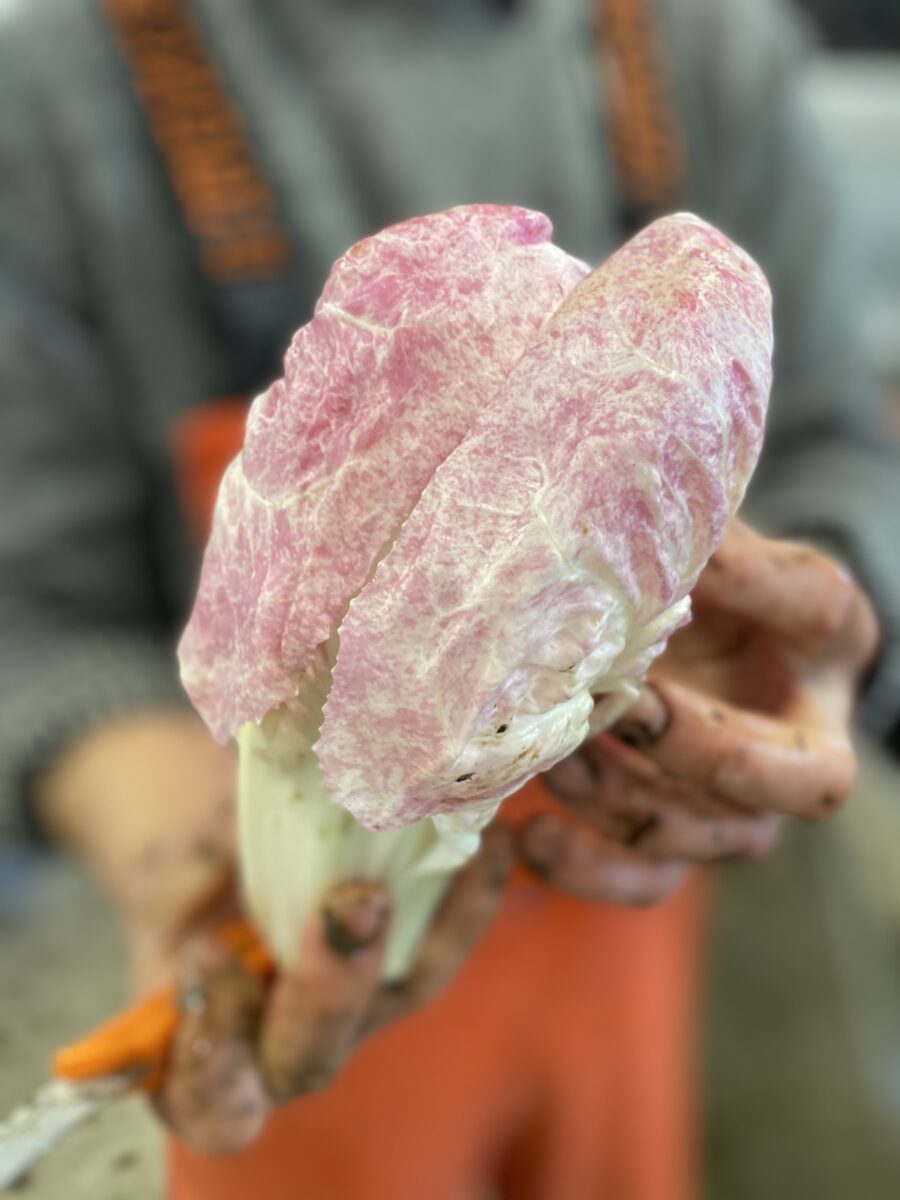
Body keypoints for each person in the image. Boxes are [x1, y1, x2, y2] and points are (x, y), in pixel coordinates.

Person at [0, 0, 892, 1196]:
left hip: (631, 900)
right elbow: (31, 608)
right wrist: (187, 853)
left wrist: (814, 620)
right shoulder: (54, 90)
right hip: (277, 943)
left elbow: (841, 445)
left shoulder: (714, 45)